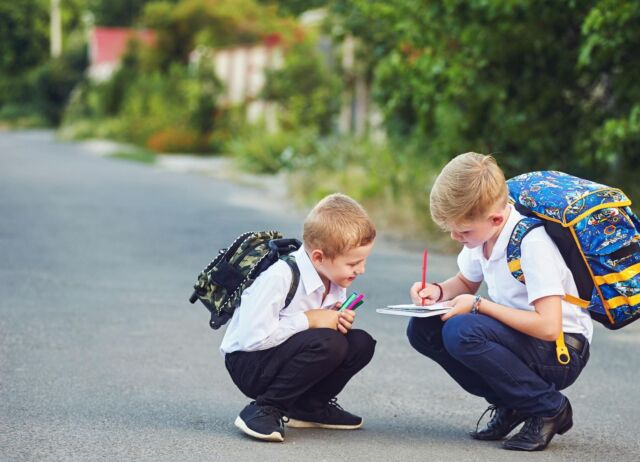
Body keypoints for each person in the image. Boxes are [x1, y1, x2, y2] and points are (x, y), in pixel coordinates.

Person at [407, 153, 592, 451]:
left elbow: (548, 326)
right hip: (521, 341)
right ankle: (513, 403)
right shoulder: (482, 236)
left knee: (462, 330)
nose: (456, 237)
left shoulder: (531, 244)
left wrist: (478, 305)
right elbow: (466, 282)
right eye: (451, 230)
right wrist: (438, 292)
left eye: (463, 231)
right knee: (423, 327)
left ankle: (548, 408)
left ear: (495, 218)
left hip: (561, 350)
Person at [221, 193, 377, 442]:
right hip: (248, 362)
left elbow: (318, 334)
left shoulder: (333, 277)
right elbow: (252, 338)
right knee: (330, 343)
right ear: (318, 257)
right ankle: (263, 409)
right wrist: (310, 319)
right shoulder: (280, 277)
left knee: (360, 343)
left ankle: (309, 407)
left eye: (364, 261)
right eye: (353, 263)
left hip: (281, 356)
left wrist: (334, 321)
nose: (361, 270)